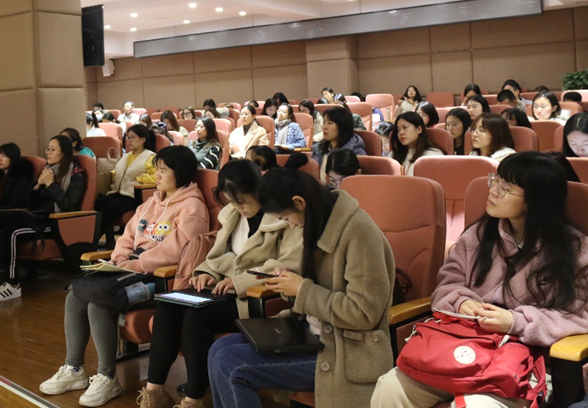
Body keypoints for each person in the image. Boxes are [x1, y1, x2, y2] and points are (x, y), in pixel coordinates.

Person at [371, 152, 588, 407]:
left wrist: (516, 322)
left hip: (523, 361)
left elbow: (580, 316)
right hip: (464, 345)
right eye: (495, 181)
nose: (492, 191)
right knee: (390, 387)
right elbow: (447, 284)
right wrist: (461, 302)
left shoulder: (574, 250)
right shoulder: (478, 235)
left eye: (504, 188)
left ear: (535, 200)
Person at [208, 164, 395, 408]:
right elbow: (317, 290)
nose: (290, 225)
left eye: (286, 218)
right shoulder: (320, 220)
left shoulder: (358, 233)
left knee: (231, 363)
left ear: (299, 202)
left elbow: (364, 313)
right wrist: (289, 283)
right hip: (314, 332)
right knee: (218, 349)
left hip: (346, 349)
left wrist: (301, 290)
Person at [39, 146, 208, 407]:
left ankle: (107, 377)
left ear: (181, 173)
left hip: (160, 279)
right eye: (157, 169)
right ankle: (74, 369)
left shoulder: (192, 208)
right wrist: (119, 257)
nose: (157, 175)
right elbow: (128, 236)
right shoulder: (151, 202)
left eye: (163, 170)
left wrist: (136, 264)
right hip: (131, 269)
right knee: (75, 297)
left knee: (100, 303)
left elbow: (178, 252)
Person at [139, 160, 303, 408]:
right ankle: (154, 394)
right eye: (232, 202)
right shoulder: (233, 216)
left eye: (243, 201)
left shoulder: (283, 217)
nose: (239, 208)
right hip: (222, 290)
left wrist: (237, 282)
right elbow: (218, 255)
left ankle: (194, 399)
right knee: (166, 307)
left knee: (196, 317)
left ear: (258, 190)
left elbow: (286, 265)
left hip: (256, 296)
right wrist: (208, 273)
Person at [0, 135, 86, 303]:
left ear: (64, 153)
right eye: (48, 149)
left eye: (53, 149)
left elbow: (68, 205)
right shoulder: (48, 170)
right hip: (37, 216)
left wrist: (51, 185)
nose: (48, 152)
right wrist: (37, 187)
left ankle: (12, 285)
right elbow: (30, 203)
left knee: (12, 232)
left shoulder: (75, 174)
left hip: (55, 222)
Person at [94, 125, 156, 246]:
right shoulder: (127, 156)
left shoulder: (150, 157)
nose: (129, 141)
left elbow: (157, 177)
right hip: (120, 192)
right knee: (99, 203)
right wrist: (111, 175)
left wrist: (141, 179)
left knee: (112, 208)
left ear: (143, 140)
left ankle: (92, 241)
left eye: (132, 137)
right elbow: (121, 173)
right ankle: (96, 239)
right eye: (127, 137)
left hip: (135, 196)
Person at [311, 107, 367, 180]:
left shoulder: (356, 150)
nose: (324, 127)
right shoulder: (319, 148)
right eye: (324, 123)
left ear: (343, 125)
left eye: (330, 123)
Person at [389, 112, 443, 176]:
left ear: (419, 129)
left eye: (405, 127)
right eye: (398, 130)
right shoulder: (393, 155)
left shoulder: (433, 155)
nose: (401, 132)